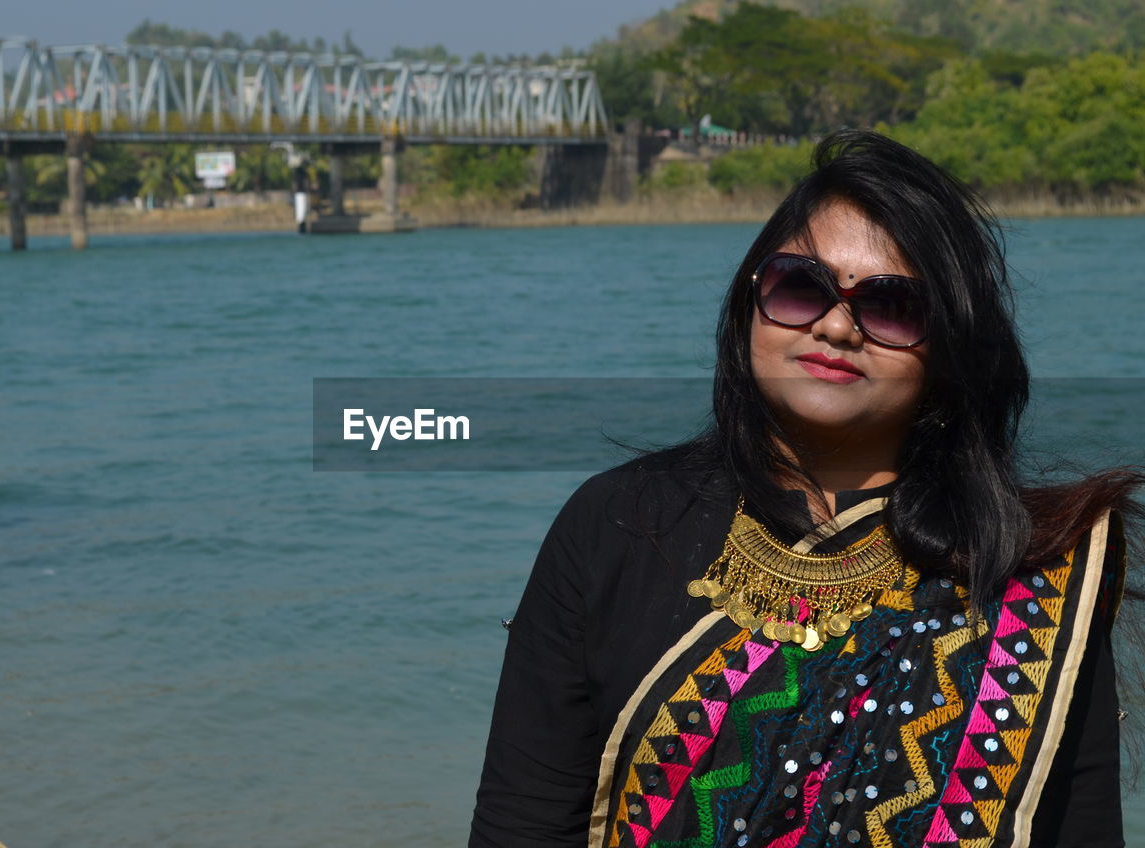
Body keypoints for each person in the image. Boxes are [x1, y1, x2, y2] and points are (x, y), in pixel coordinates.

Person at [469, 130, 1140, 848]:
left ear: (949, 349)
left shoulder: (1029, 569)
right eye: (800, 285)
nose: (834, 325)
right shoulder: (618, 525)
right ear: (748, 302)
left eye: (891, 306)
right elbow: (525, 824)